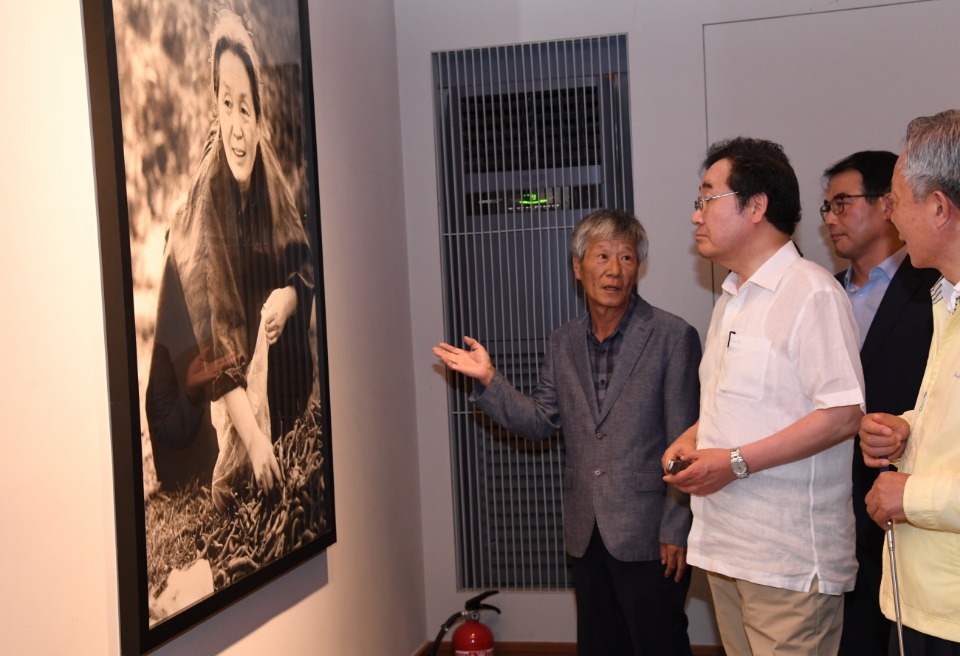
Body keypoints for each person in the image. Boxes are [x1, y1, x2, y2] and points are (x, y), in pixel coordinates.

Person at [433, 209, 701, 656]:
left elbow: (686, 439)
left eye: (627, 258)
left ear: (639, 267)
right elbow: (541, 420)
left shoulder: (672, 336)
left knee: (660, 645)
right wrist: (489, 381)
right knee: (599, 646)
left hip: (651, 535)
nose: (614, 270)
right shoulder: (562, 342)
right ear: (578, 267)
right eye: (602, 257)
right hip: (586, 532)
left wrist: (676, 526)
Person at [664, 137, 865, 655]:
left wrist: (732, 462)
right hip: (728, 550)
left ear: (756, 206)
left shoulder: (812, 292)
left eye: (707, 198)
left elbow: (843, 414)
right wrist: (691, 440)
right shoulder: (730, 299)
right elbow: (734, 407)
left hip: (789, 562)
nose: (695, 216)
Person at [147, 9, 316, 508]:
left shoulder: (266, 169)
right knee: (235, 470)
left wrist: (287, 298)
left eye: (247, 108)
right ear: (214, 111)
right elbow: (218, 342)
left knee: (276, 293)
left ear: (260, 115)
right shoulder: (207, 198)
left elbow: (301, 258)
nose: (239, 129)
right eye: (227, 105)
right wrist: (256, 440)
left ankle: (263, 425)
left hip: (231, 365)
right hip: (185, 408)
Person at [820, 151, 938, 655]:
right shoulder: (824, 294)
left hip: (909, 495)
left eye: (842, 203)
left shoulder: (933, 286)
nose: (829, 218)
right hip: (829, 496)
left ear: (888, 203)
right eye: (826, 206)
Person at [861, 109, 960, 654]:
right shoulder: (945, 298)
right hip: (924, 597)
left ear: (939, 207)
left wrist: (911, 494)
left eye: (896, 199)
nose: (890, 215)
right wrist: (905, 428)